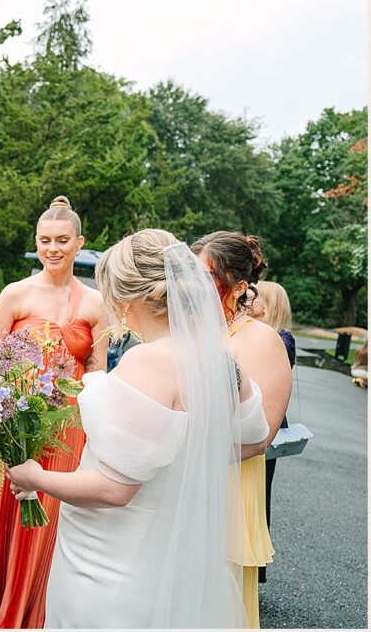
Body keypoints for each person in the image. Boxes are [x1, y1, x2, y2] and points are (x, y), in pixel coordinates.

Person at [7, 229, 270, 628]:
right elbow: (254, 438)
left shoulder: (148, 361)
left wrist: (35, 477)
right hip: (172, 559)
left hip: (109, 567)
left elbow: (114, 489)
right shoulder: (221, 361)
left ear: (126, 301)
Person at [0, 195, 107, 629]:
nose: (52, 248)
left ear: (79, 243)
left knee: (49, 526)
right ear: (36, 242)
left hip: (66, 431)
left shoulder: (96, 304)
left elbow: (98, 375)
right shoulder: (15, 294)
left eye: (62, 240)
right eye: (44, 240)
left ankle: (31, 618)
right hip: (12, 427)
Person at [192, 232, 292, 628]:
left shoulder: (260, 339)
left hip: (227, 481)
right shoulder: (191, 330)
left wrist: (191, 452)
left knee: (215, 599)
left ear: (238, 287)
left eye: (205, 277)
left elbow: (261, 436)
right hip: (180, 478)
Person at [247, 279, 295, 584]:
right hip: (252, 421)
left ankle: (255, 568)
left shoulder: (281, 340)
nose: (248, 300)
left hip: (266, 427)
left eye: (255, 296)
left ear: (270, 305)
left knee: (258, 497)